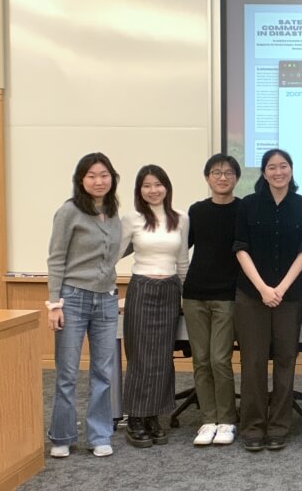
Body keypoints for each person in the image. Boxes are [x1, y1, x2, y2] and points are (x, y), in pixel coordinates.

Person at [234, 148, 302, 452]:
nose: (278, 172)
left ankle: (280, 425)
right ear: (264, 172)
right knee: (253, 362)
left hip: (290, 295)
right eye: (271, 167)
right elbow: (241, 248)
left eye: (283, 166)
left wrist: (280, 288)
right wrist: (263, 288)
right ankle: (253, 426)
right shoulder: (248, 205)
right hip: (251, 295)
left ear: (291, 170)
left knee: (285, 361)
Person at [46, 152, 122, 458]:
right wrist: (54, 304)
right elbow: (56, 258)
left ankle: (99, 435)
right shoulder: (69, 212)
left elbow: (114, 251)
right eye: (91, 175)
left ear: (112, 178)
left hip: (106, 299)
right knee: (67, 372)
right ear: (81, 179)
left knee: (103, 372)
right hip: (73, 298)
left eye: (104, 175)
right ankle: (62, 437)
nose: (98, 181)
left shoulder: (115, 213)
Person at [119, 164, 190, 448]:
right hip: (142, 287)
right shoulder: (132, 219)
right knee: (140, 356)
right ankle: (136, 417)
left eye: (158, 184)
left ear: (167, 187)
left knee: (162, 358)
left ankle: (155, 417)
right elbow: (112, 254)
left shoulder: (181, 218)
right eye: (146, 185)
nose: (153, 190)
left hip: (170, 288)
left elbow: (182, 260)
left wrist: (186, 297)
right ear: (139, 190)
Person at [182, 154, 242, 446]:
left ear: (236, 178)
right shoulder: (196, 211)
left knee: (220, 359)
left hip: (228, 296)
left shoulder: (243, 210)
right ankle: (208, 420)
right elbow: (180, 248)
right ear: (207, 177)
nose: (222, 177)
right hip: (194, 294)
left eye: (228, 172)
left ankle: (227, 420)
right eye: (216, 172)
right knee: (201, 360)